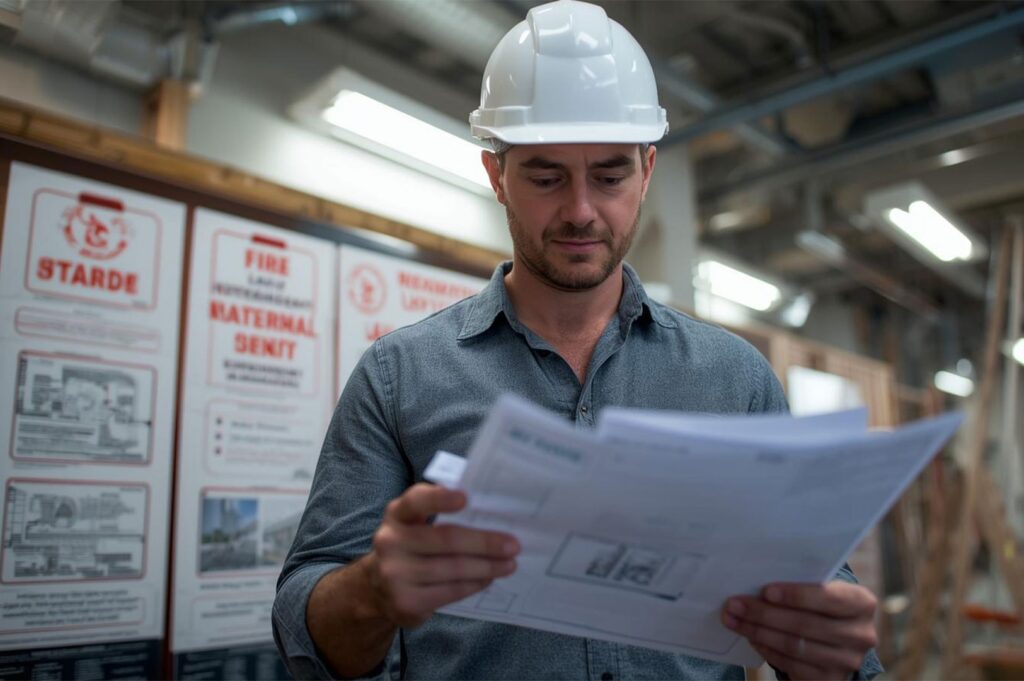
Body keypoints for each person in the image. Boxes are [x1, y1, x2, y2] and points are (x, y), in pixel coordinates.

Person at [273, 1, 884, 679]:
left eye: (610, 175)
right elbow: (304, 623)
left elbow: (823, 613)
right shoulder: (400, 375)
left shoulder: (734, 380)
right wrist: (373, 591)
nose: (581, 210)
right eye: (544, 176)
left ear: (648, 171)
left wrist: (831, 644)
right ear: (496, 174)